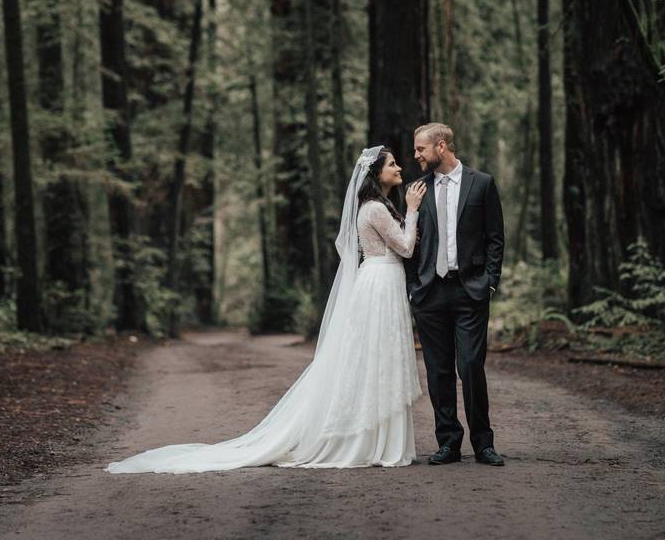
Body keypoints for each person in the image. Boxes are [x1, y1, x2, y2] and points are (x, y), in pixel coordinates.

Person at [105, 146, 428, 473]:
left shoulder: (378, 205)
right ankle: (371, 441)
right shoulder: (374, 208)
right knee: (375, 360)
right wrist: (412, 210)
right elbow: (404, 246)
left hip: (380, 282)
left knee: (378, 360)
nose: (399, 167)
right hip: (380, 282)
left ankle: (379, 439)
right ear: (376, 173)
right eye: (392, 164)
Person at [405, 123, 506, 466]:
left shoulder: (482, 183)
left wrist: (490, 281)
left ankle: (483, 443)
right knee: (438, 370)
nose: (416, 155)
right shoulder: (415, 190)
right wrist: (413, 288)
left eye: (421, 149)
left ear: (442, 146)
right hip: (430, 294)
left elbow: (495, 237)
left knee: (470, 365)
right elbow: (409, 244)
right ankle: (448, 442)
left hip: (470, 291)